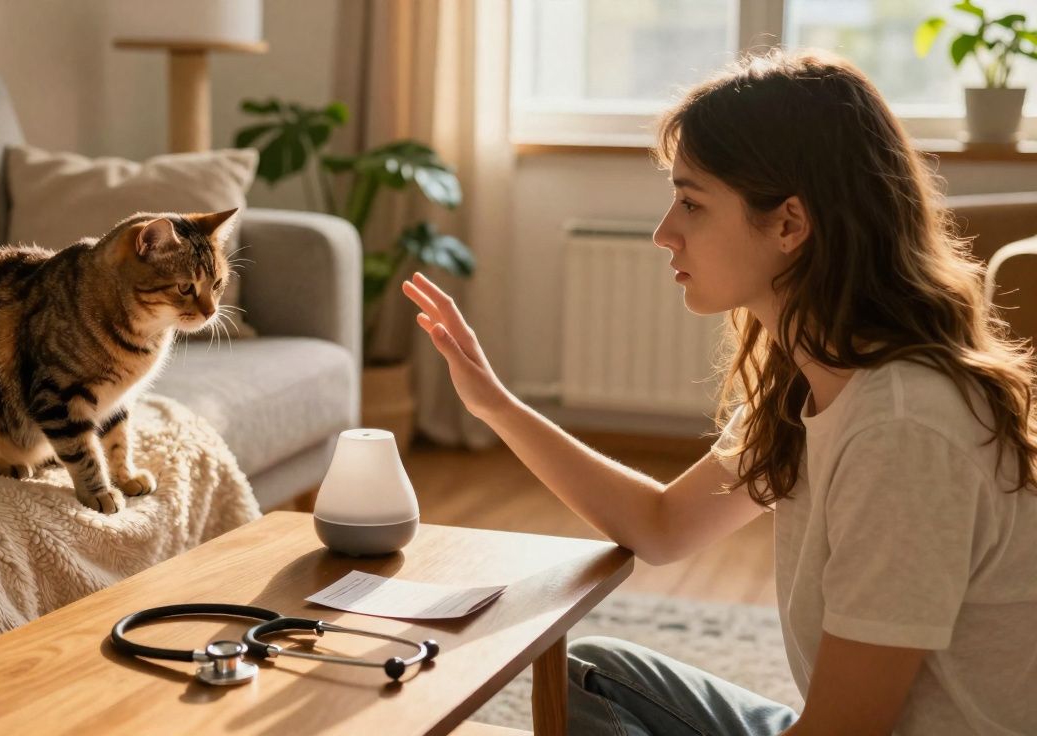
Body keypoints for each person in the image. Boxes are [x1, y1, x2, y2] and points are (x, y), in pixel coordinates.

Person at [403, 49, 1037, 735]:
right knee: (590, 676)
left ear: (790, 224)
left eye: (692, 203)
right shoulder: (813, 380)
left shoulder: (904, 430)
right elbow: (662, 526)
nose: (664, 233)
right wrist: (495, 404)